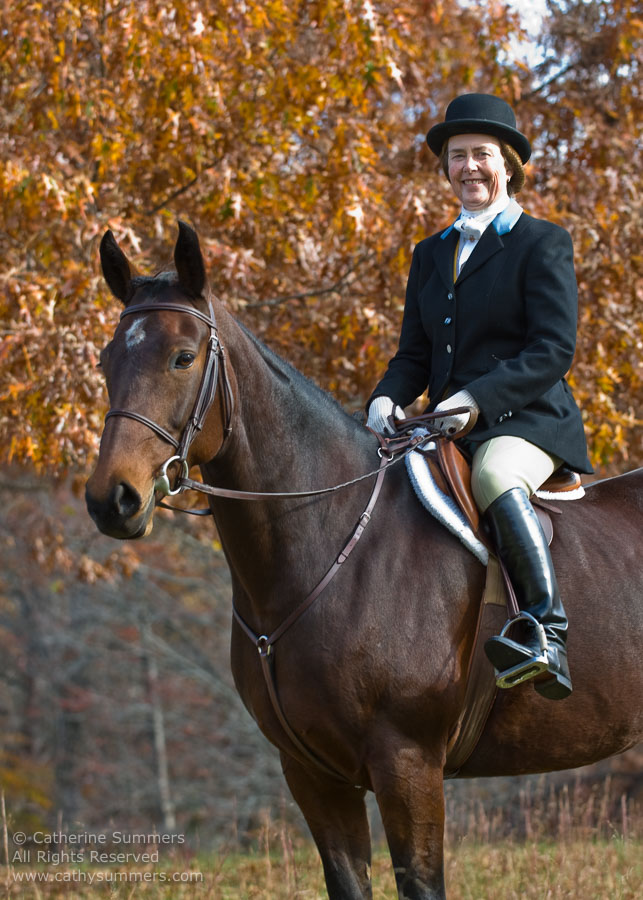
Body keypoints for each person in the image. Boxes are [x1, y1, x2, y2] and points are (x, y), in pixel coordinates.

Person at [366, 93, 593, 701]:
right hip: (444, 424)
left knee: (493, 474)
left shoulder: (542, 242)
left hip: (527, 420)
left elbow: (552, 349)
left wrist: (474, 398)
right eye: (458, 156)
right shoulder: (431, 253)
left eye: (482, 155)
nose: (469, 167)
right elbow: (414, 354)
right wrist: (386, 399)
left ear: (509, 165)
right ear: (446, 167)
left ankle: (546, 631)